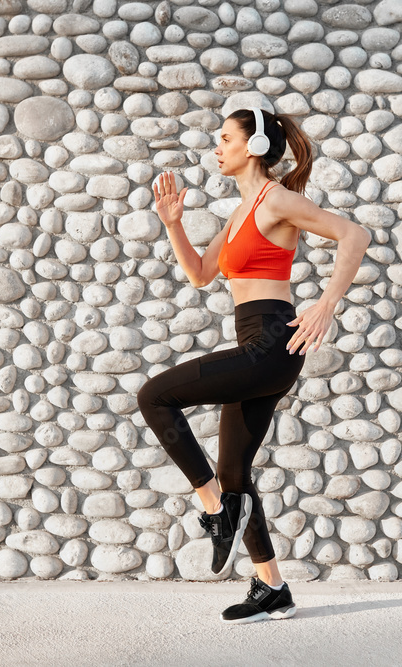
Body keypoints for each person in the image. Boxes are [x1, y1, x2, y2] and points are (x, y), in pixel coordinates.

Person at [136, 106, 372, 624]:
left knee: (154, 396)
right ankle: (273, 588)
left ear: (255, 146)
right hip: (255, 343)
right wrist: (173, 226)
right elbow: (200, 274)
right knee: (233, 469)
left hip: (270, 342)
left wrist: (327, 301)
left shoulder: (278, 200)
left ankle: (216, 510)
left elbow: (355, 235)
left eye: (225, 138)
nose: (217, 147)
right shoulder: (240, 212)